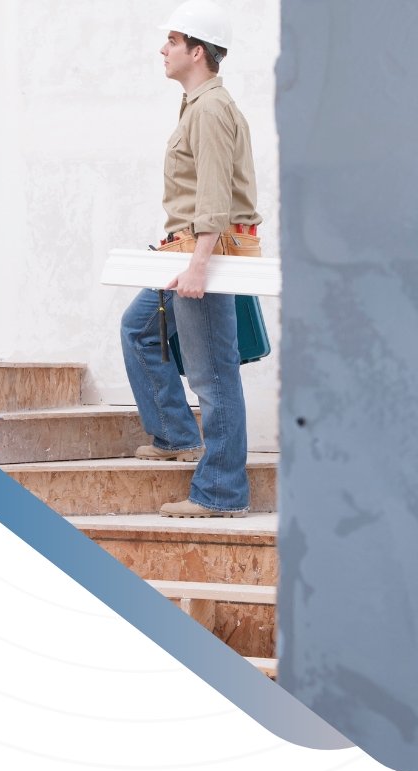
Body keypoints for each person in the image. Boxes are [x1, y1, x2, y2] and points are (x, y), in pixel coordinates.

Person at [120, 0, 262, 519]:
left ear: (196, 51)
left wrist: (200, 263)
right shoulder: (198, 104)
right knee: (138, 330)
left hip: (206, 252)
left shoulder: (209, 110)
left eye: (173, 41)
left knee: (213, 374)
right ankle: (177, 435)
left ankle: (222, 491)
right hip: (185, 250)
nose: (163, 49)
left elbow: (214, 198)